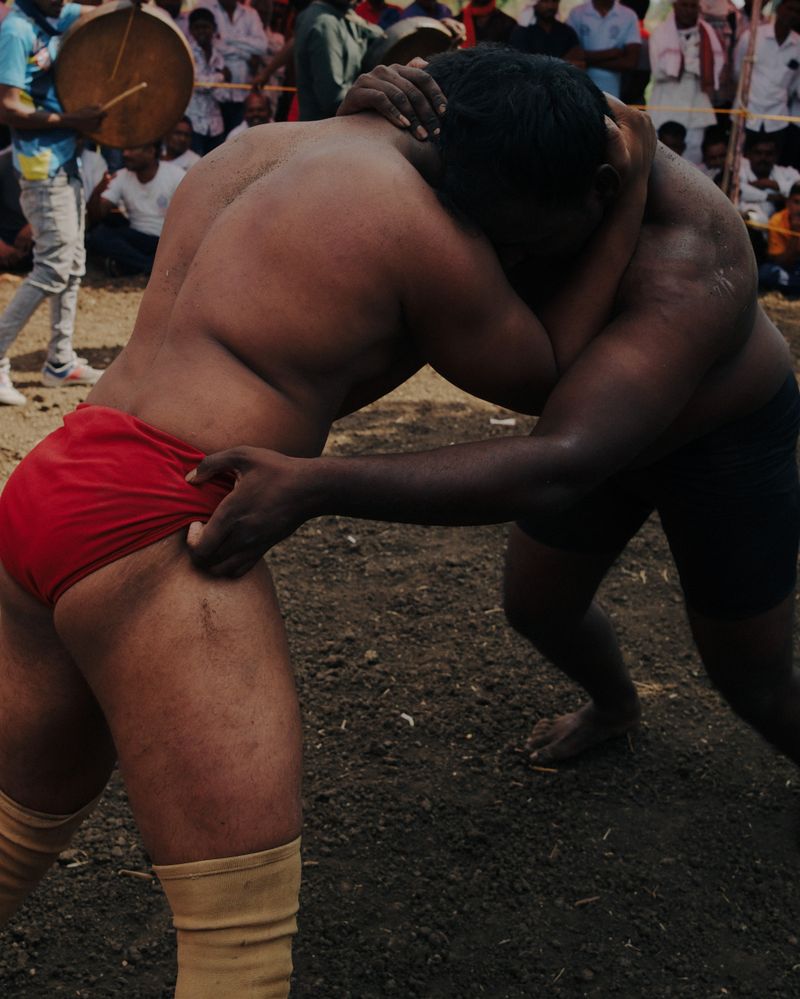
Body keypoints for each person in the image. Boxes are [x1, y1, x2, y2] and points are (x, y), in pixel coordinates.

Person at [0, 49, 654, 998]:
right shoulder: (418, 225)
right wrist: (628, 194)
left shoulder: (260, 144)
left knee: (15, 830)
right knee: (239, 948)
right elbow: (552, 372)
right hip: (160, 515)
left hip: (58, 478)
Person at [187, 57, 800, 783]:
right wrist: (360, 122)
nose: (498, 264)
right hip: (591, 428)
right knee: (538, 608)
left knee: (751, 679)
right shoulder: (505, 123)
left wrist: (315, 485)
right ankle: (616, 706)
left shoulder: (688, 258)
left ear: (602, 192)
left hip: (717, 446)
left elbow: (561, 460)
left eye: (521, 245)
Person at [0, 0, 106, 407]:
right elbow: (7, 106)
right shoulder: (16, 30)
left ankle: (59, 361)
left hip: (65, 159)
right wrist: (73, 121)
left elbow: (98, 14)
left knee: (74, 263)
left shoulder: (55, 11)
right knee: (53, 265)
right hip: (41, 164)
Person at [86, 142, 184, 276]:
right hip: (138, 237)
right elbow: (98, 214)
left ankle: (133, 265)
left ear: (151, 151)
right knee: (99, 235)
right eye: (125, 150)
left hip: (167, 241)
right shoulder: (122, 175)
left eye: (132, 149)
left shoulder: (175, 175)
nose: (125, 154)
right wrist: (98, 191)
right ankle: (148, 266)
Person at [647, 0, 723, 165]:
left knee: (692, 152)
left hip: (696, 100)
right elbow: (659, 71)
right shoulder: (660, 33)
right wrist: (692, 65)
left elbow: (718, 64)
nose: (688, 10)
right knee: (660, 154)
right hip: (667, 100)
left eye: (692, 6)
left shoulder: (707, 32)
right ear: (675, 6)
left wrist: (688, 65)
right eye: (684, 5)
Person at [293, 0, 384, 120]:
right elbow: (332, 98)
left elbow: (382, 37)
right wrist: (380, 98)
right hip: (323, 130)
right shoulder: (325, 23)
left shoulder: (344, 15)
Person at [735, 0, 800, 158]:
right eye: (789, 8)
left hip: (777, 119)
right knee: (740, 164)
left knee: (769, 166)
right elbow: (738, 71)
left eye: (797, 11)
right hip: (746, 113)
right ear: (778, 8)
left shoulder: (798, 45)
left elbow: (794, 86)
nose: (792, 14)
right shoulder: (752, 36)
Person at [204, 0, 268, 134]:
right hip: (214, 98)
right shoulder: (206, 7)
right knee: (220, 146)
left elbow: (262, 46)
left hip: (244, 95)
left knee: (241, 139)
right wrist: (246, 54)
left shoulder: (250, 14)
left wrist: (228, 38)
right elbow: (213, 44)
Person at [566, 0, 641, 99]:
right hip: (579, 91)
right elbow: (570, 56)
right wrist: (610, 54)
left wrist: (587, 61)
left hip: (612, 95)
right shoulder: (577, 13)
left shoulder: (629, 15)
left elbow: (630, 63)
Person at [184, 6, 230, 154]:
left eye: (206, 27)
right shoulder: (187, 53)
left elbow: (224, 95)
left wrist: (214, 83)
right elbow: (199, 84)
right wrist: (221, 77)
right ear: (190, 30)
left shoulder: (218, 55)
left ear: (214, 28)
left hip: (216, 125)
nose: (202, 31)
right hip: (194, 123)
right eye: (197, 28)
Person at [739, 131, 800, 223]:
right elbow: (739, 190)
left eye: (769, 154)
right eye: (758, 153)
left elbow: (797, 184)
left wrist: (771, 184)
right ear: (749, 154)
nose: (763, 158)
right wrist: (772, 197)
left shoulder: (787, 172)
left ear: (776, 156)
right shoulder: (740, 169)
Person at [508, 0, 584, 65]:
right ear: (534, 3)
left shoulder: (567, 31)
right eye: (545, 1)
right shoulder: (522, 32)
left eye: (554, 1)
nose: (550, 6)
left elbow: (577, 62)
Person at [758, 180, 800, 295]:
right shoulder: (777, 220)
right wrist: (796, 232)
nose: (799, 208)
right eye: (797, 202)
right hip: (785, 266)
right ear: (788, 203)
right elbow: (780, 261)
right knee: (766, 272)